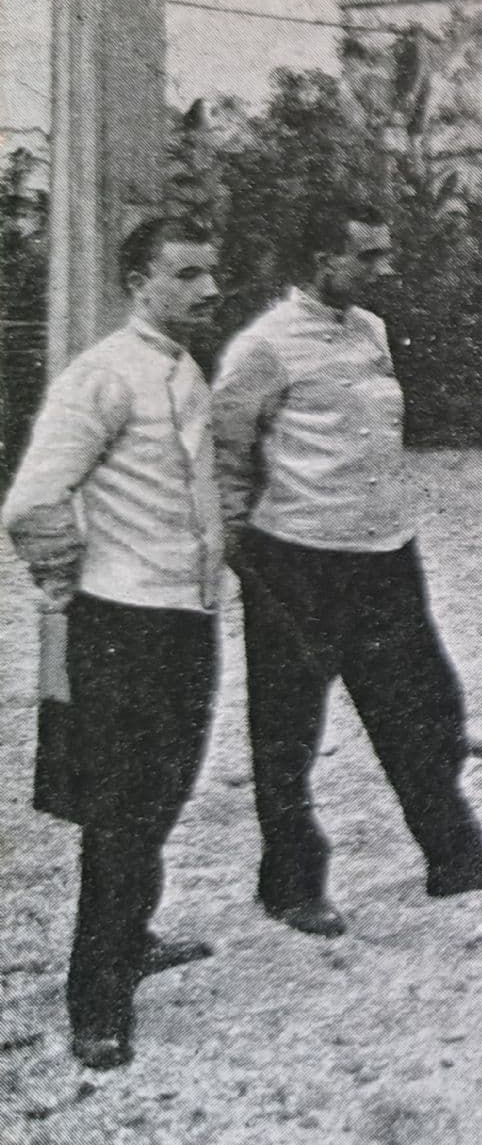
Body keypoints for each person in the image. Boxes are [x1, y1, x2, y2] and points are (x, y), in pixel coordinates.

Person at [211, 202, 482, 939]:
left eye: (384, 253)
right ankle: (290, 884)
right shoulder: (264, 345)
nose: (384, 269)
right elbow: (226, 450)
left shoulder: (370, 329)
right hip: (298, 559)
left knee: (428, 708)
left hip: (385, 551)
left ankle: (454, 855)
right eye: (367, 256)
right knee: (288, 729)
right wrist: (242, 548)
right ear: (321, 260)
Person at [3, 216, 226, 1069]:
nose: (209, 289)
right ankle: (96, 1001)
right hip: (123, 627)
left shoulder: (184, 366)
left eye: (211, 273)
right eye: (186, 274)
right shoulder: (101, 374)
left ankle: (131, 937)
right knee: (121, 816)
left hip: (186, 619)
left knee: (164, 794)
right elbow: (33, 501)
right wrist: (69, 588)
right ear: (139, 282)